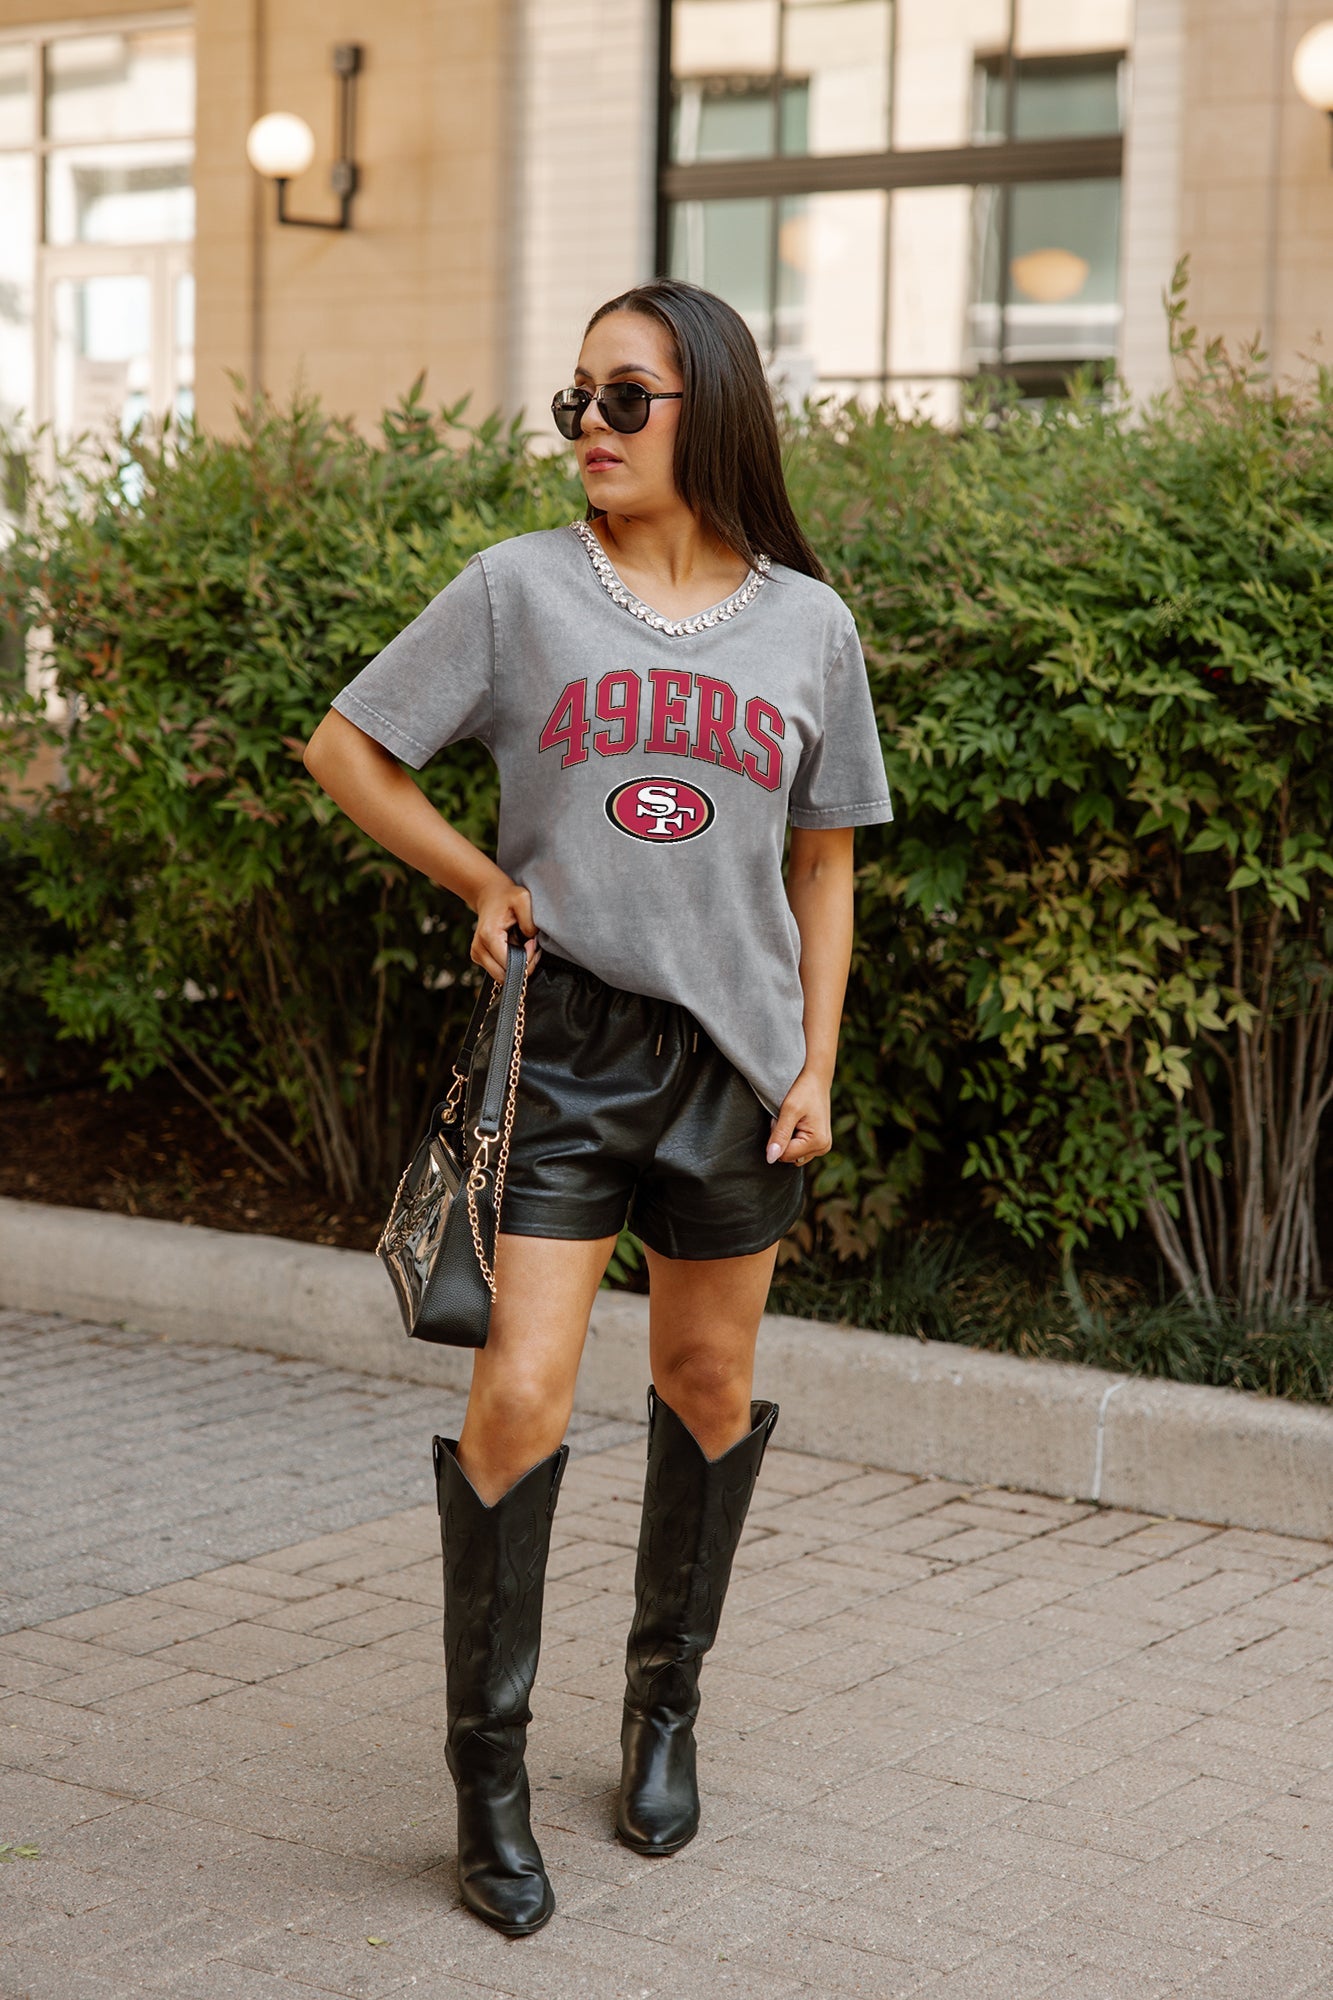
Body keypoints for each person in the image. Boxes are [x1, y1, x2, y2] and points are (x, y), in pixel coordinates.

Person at [302, 279, 892, 1938]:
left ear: (712, 405)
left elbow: (825, 865)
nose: (590, 428)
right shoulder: (517, 591)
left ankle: (664, 1709)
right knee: (519, 1394)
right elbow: (346, 749)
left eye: (625, 397)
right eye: (576, 400)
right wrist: (480, 879)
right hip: (558, 1053)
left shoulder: (808, 627)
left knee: (706, 1382)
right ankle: (485, 1781)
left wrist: (814, 1064)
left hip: (734, 1068)